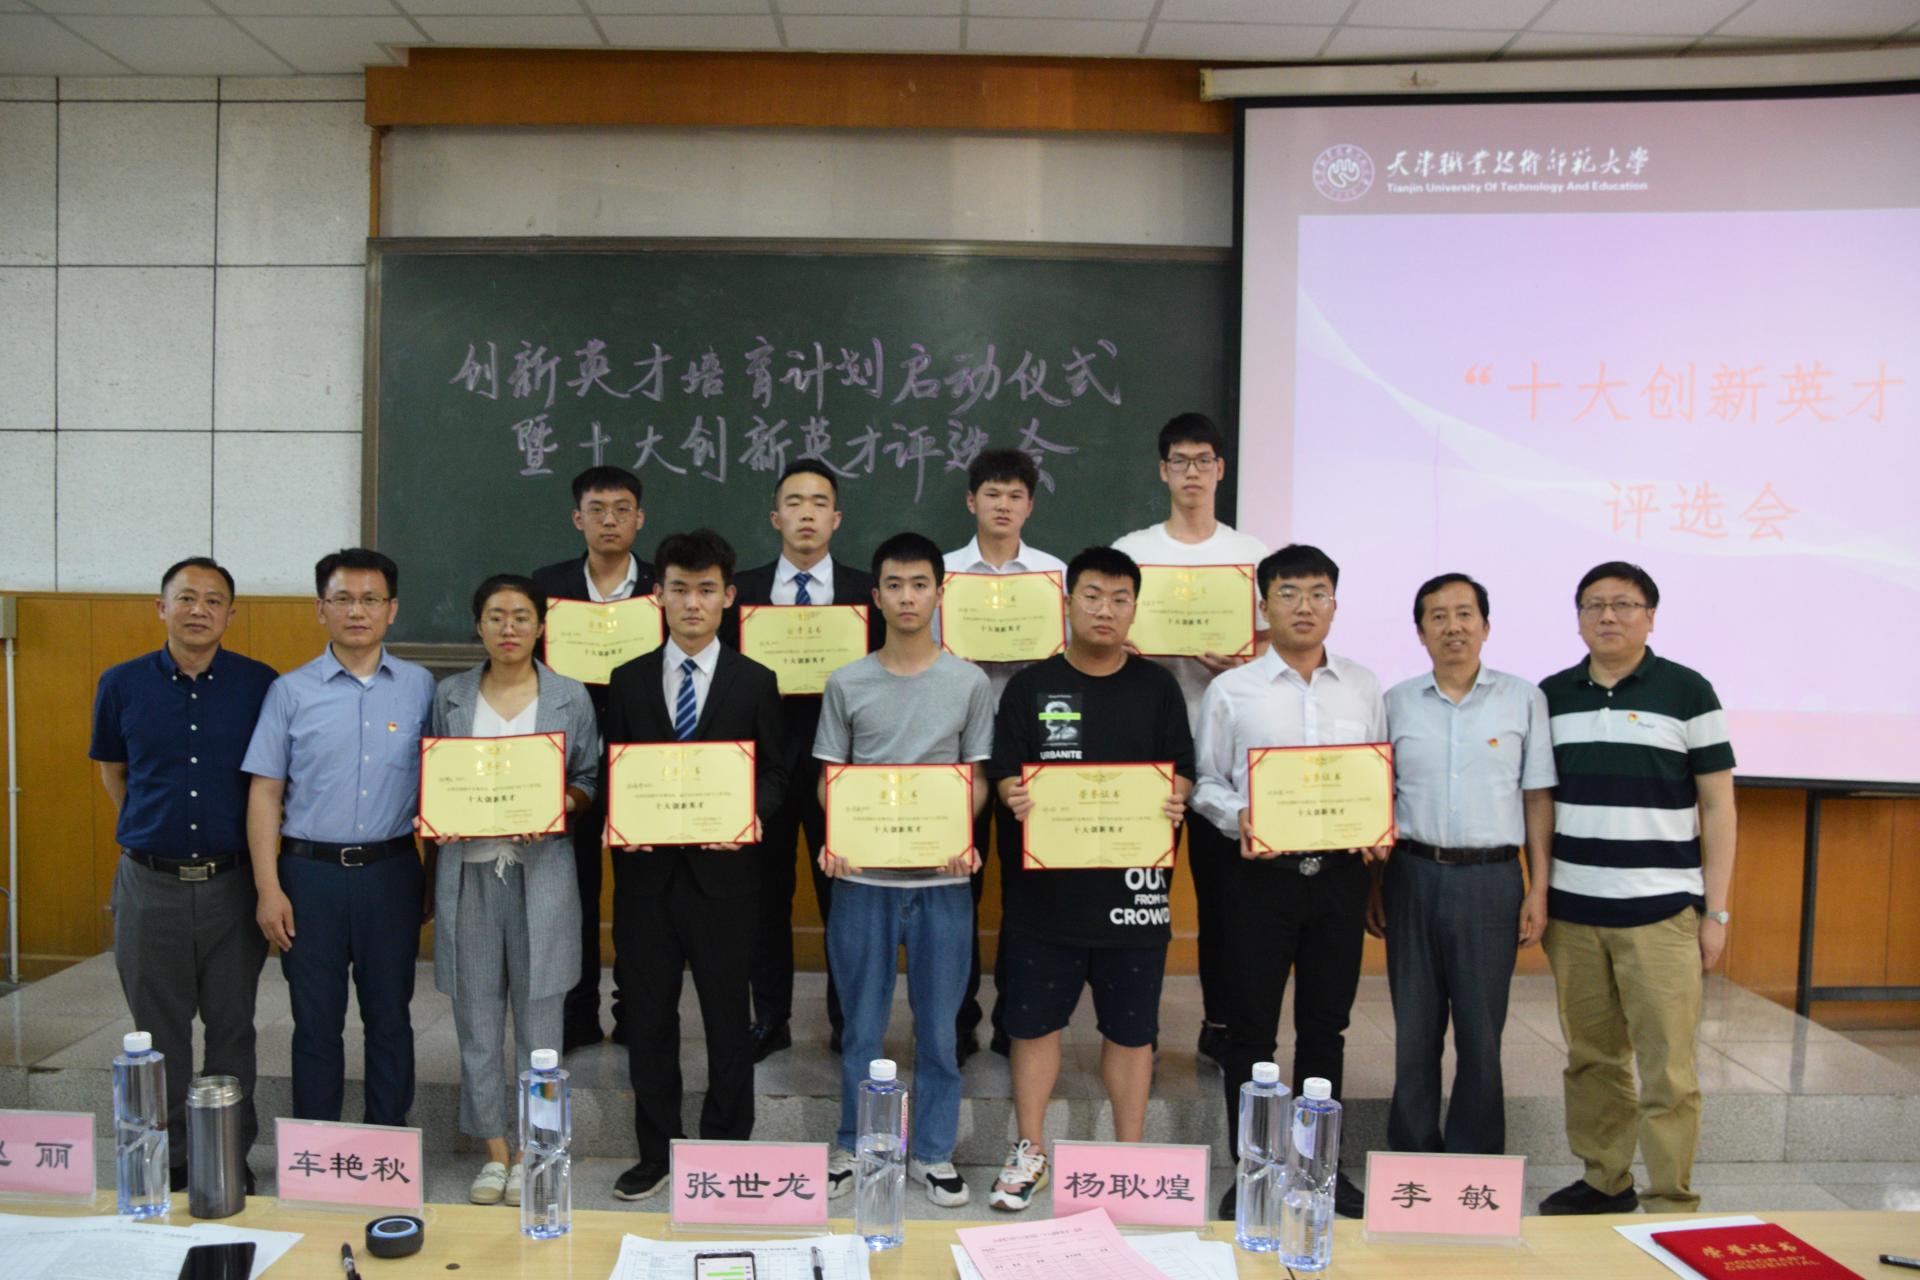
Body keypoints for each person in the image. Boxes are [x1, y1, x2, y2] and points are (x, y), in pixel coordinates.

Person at [985, 546, 1193, 1211]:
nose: (1106, 610)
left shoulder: (1158, 687)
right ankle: (1030, 1148)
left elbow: (1182, 769)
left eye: (1120, 598)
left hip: (1134, 893)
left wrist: (1177, 796)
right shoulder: (1030, 687)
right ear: (1069, 601)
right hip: (1046, 894)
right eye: (1093, 596)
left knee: (1131, 1031)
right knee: (1033, 1024)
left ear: (1134, 608)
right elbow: (1003, 770)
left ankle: (1127, 1160)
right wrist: (1013, 793)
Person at [1191, 544, 1385, 1221]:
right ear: (1263, 605)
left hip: (1338, 879)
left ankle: (1319, 1170)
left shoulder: (1363, 686)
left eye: (1318, 593)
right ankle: (1254, 1170)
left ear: (1335, 603)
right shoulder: (1232, 690)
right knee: (1250, 1034)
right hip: (1258, 881)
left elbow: (1376, 778)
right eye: (1289, 593)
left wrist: (1376, 824)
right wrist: (1237, 814)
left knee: (1326, 1029)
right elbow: (1206, 782)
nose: (1305, 606)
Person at [1537, 561, 1737, 1217]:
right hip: (1575, 914)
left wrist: (1717, 912)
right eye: (1593, 604)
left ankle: (1671, 1198)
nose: (1608, 616)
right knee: (1591, 1059)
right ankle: (1605, 1180)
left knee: (1668, 1068)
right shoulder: (1552, 695)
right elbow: (1540, 802)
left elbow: (1719, 807)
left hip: (1661, 915)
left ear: (1650, 616)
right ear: (1578, 617)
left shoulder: (1687, 691)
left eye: (1623, 604)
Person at [603, 530, 786, 1202]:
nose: (691, 602)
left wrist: (747, 815)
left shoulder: (755, 680)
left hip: (725, 880)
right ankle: (656, 1152)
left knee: (726, 1020)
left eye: (706, 590)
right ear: (658, 594)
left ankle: (724, 1149)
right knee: (649, 1020)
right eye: (679, 588)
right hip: (646, 881)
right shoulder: (626, 680)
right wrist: (624, 820)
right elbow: (616, 771)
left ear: (728, 597)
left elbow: (776, 773)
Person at [813, 531, 994, 1208]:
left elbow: (975, 778)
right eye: (895, 585)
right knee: (861, 1026)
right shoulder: (847, 681)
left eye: (920, 584)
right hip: (862, 881)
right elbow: (831, 779)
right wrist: (838, 836)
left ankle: (934, 1151)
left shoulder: (969, 682)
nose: (908, 597)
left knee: (940, 1028)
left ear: (940, 593)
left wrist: (961, 834)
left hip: (943, 881)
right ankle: (857, 1141)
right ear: (877, 595)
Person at [90, 557, 278, 1192]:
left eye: (214, 600)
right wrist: (156, 835)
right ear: (161, 607)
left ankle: (226, 1153)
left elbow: (270, 783)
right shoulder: (121, 684)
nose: (199, 610)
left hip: (231, 884)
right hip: (149, 884)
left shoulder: (260, 684)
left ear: (231, 614)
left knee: (232, 1028)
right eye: (186, 597)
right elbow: (115, 772)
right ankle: (167, 1159)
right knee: (156, 1032)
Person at [243, 548, 436, 1126]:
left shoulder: (422, 687)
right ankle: (314, 1146)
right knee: (315, 1022)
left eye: (371, 599)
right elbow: (265, 794)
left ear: (392, 609)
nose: (357, 611)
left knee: (391, 1017)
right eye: (343, 599)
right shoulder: (289, 692)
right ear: (320, 608)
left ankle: (387, 1141)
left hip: (392, 873)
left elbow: (440, 791)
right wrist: (268, 888)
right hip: (309, 877)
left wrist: (432, 878)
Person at [428, 576, 601, 1206]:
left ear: (540, 626)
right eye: (496, 616)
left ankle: (537, 1146)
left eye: (521, 616)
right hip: (470, 874)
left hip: (542, 875)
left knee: (541, 1025)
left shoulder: (569, 696)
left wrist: (561, 802)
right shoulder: (450, 695)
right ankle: (495, 1151)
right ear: (478, 625)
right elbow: (433, 775)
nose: (509, 628)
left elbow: (588, 777)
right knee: (476, 1023)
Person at [1372, 573, 1555, 1156]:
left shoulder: (1523, 699)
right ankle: (1412, 1157)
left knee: (1481, 1034)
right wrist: (1374, 885)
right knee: (1414, 1032)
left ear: (1486, 625)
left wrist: (1538, 888)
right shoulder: (1395, 702)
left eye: (1464, 614)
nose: (1453, 627)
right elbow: (1378, 798)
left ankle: (1475, 1162)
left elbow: (1536, 798)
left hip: (1491, 879)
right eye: (1438, 616)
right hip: (1411, 874)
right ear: (1420, 631)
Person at [1111, 412, 1268, 1070]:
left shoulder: (1251, 556)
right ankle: (1133, 1025)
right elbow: (1103, 631)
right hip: (1145, 751)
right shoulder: (1133, 551)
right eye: (1180, 461)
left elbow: (1273, 649)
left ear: (1221, 469)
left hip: (1226, 756)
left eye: (1204, 460)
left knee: (1226, 901)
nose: (1192, 472)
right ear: (1162, 470)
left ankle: (1221, 1023)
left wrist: (1245, 662)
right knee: (1140, 894)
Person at [728, 460, 879, 1063]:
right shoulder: (741, 592)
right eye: (794, 502)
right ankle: (770, 1019)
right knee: (764, 899)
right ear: (775, 517)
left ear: (836, 518)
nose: (807, 513)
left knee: (844, 899)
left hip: (842, 770)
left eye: (819, 503)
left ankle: (849, 1022)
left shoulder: (867, 592)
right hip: (762, 768)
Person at [942, 448, 1069, 1061]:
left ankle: (1017, 1017)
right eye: (992, 494)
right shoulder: (942, 575)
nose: (1003, 505)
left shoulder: (1055, 576)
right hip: (955, 749)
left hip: (1033, 751)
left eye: (1015, 495)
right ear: (972, 501)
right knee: (958, 887)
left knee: (1026, 891)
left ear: (1030, 506)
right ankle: (959, 1017)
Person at [531, 464, 658, 1052]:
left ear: (640, 518)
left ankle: (635, 1010)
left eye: (622, 509)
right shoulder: (547, 586)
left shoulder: (661, 587)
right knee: (570, 892)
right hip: (567, 763)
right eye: (597, 509)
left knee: (640, 897)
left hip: (644, 763)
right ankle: (576, 1012)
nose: (610, 520)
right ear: (577, 518)